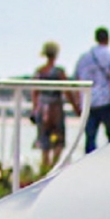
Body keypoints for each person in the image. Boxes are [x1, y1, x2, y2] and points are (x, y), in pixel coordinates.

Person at [74, 27, 110, 151]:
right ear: (108, 39)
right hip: (106, 100)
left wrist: (78, 102)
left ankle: (89, 162)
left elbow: (77, 79)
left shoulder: (84, 58)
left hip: (88, 101)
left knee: (90, 137)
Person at [30, 40, 69, 171]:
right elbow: (67, 90)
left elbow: (35, 92)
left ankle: (45, 169)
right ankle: (55, 167)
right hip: (56, 108)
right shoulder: (59, 72)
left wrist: (34, 110)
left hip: (42, 109)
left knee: (44, 142)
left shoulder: (40, 72)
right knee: (59, 140)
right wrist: (77, 107)